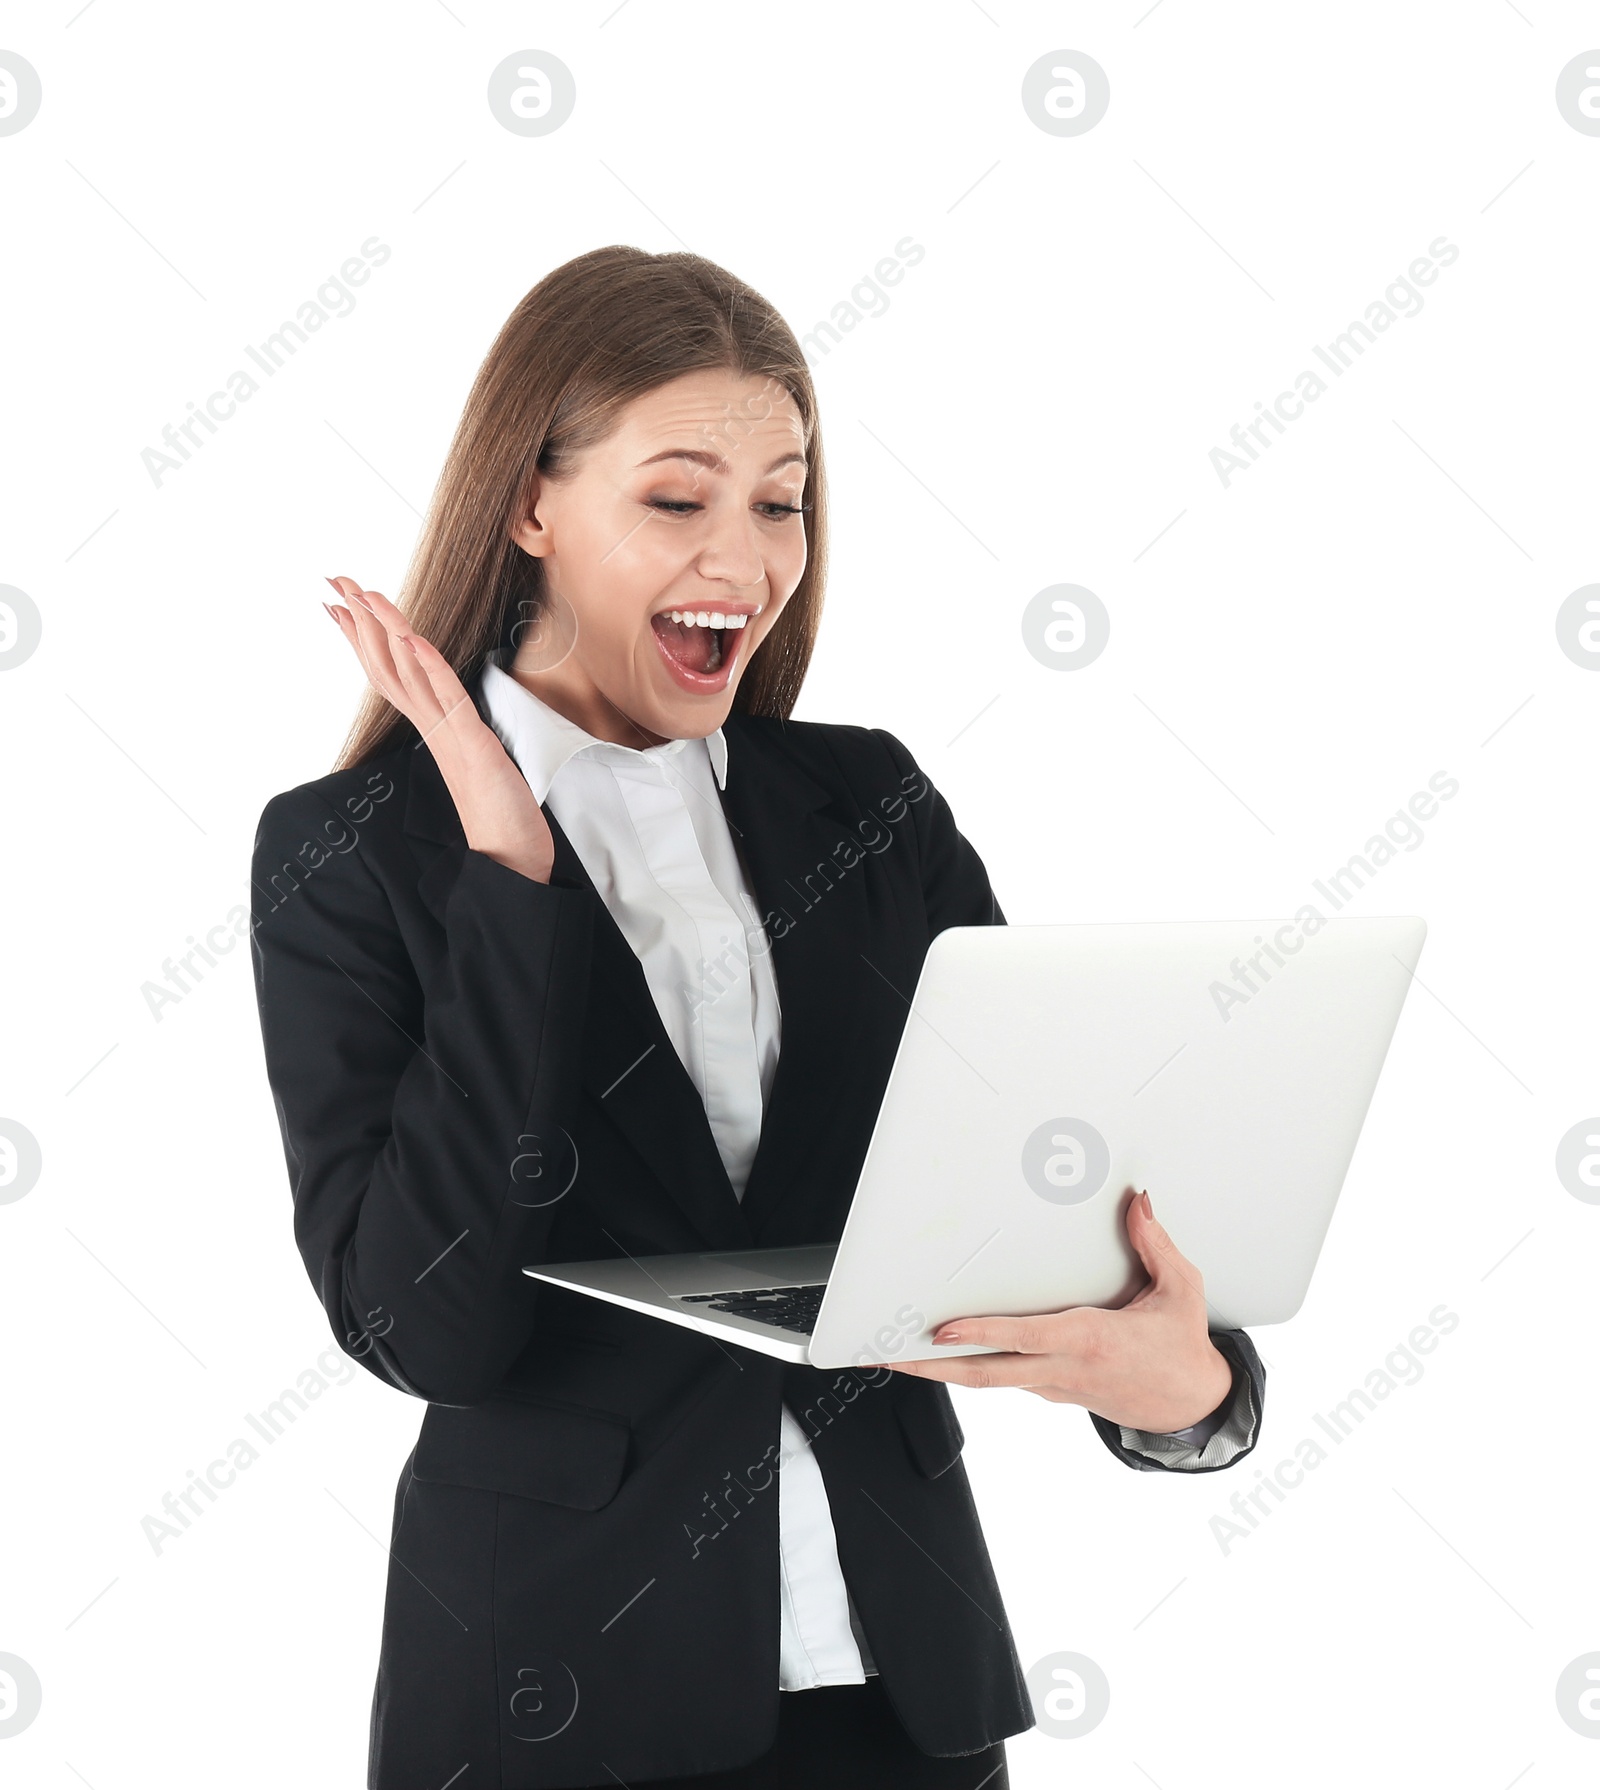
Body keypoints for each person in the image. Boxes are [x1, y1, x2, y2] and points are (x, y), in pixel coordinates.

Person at [249, 245, 1265, 1790]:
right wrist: (514, 882)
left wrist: (1194, 1395)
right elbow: (424, 1324)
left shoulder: (869, 804)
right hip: (557, 1710)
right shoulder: (355, 849)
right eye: (677, 498)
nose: (747, 555)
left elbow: (1041, 1198)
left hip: (904, 1704)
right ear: (532, 508)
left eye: (781, 499)